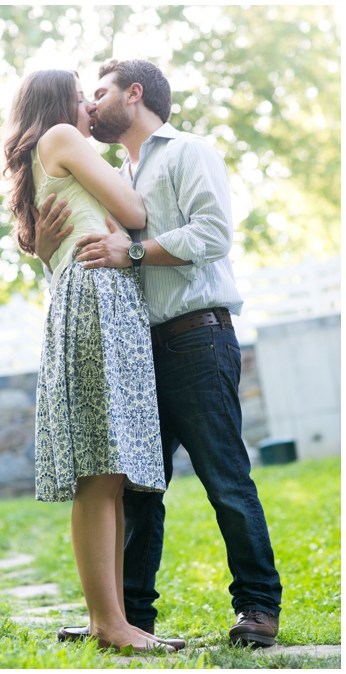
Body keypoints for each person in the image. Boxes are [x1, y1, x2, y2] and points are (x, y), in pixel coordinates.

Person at [38, 59, 283, 647]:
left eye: (100, 93)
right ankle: (127, 620)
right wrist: (45, 249)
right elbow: (84, 252)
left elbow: (212, 235)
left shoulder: (187, 152)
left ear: (135, 93)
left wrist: (136, 253)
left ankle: (257, 606)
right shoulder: (108, 172)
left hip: (196, 336)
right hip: (135, 348)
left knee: (224, 478)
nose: (90, 105)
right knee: (138, 490)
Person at [1, 70, 182, 654]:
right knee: (100, 473)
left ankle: (113, 620)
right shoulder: (60, 136)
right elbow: (132, 211)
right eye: (81, 94)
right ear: (57, 102)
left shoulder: (51, 151)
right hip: (97, 295)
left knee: (104, 474)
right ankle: (110, 623)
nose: (88, 106)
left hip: (96, 295)